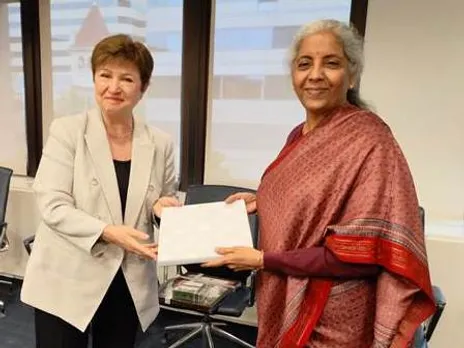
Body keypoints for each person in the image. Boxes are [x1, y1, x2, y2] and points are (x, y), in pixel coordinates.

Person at [203, 19, 436, 348]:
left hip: (334, 316)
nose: (315, 75)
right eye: (304, 64)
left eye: (331, 63)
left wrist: (263, 260)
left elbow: (362, 256)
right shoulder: (299, 135)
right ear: (293, 76)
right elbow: (309, 200)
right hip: (284, 299)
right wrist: (262, 199)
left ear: (352, 75)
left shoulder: (370, 140)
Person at [20, 34, 181, 348]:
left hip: (127, 277)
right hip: (67, 274)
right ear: (94, 78)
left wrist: (162, 206)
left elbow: (163, 195)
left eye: (127, 78)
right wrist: (108, 231)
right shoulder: (67, 130)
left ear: (143, 87)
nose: (114, 87)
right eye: (105, 75)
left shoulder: (160, 143)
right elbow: (53, 205)